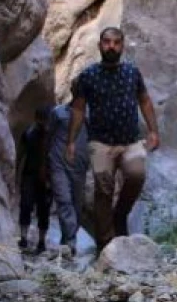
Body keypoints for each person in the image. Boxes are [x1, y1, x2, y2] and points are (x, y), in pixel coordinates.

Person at [66, 27, 160, 252]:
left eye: (116, 43)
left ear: (122, 46)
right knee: (103, 183)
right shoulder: (87, 76)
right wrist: (71, 141)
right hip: (101, 142)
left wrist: (153, 131)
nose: (111, 46)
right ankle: (105, 244)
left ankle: (120, 215)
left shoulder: (132, 73)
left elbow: (144, 101)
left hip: (130, 141)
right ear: (99, 45)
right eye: (107, 42)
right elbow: (78, 110)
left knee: (137, 175)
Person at [46, 80, 89, 256]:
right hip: (58, 163)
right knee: (64, 200)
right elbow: (48, 138)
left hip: (79, 167)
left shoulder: (89, 118)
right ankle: (71, 242)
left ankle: (67, 239)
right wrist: (44, 164)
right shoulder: (58, 113)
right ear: (72, 90)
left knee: (76, 205)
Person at [16, 106, 52, 253]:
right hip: (30, 175)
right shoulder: (29, 134)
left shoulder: (50, 136)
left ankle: (41, 241)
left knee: (43, 209)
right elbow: (21, 155)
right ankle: (24, 237)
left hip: (43, 177)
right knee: (26, 205)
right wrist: (18, 175)